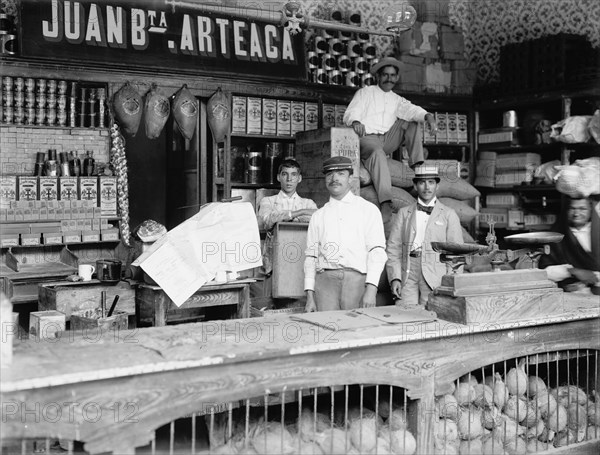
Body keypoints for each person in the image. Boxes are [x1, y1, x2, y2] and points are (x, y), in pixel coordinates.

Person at [343, 56, 438, 223]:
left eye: (393, 75)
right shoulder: (365, 93)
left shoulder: (396, 99)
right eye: (385, 75)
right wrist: (355, 121)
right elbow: (351, 112)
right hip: (367, 138)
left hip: (387, 139)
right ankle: (386, 201)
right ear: (378, 76)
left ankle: (417, 165)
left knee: (412, 120)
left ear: (397, 77)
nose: (389, 79)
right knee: (378, 153)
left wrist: (428, 116)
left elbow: (412, 110)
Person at [304, 156, 387, 312]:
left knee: (357, 332)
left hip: (357, 282)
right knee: (326, 331)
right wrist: (310, 296)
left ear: (350, 178)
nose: (334, 178)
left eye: (341, 173)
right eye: (329, 174)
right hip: (325, 285)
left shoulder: (368, 210)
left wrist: (371, 290)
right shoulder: (318, 216)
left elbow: (377, 252)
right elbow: (311, 258)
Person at [386, 163, 463, 306]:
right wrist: (395, 278)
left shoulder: (448, 214)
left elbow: (456, 253)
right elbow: (393, 248)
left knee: (432, 315)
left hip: (436, 274)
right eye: (422, 182)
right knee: (404, 315)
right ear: (415, 186)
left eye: (431, 182)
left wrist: (451, 281)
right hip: (408, 272)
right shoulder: (404, 213)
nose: (427, 187)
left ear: (437, 186)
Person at [257, 158, 317, 275]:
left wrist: (283, 217)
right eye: (285, 174)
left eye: (293, 175)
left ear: (299, 178)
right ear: (278, 177)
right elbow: (267, 220)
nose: (289, 179)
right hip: (273, 264)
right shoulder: (267, 201)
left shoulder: (308, 203)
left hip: (300, 260)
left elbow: (316, 219)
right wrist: (299, 213)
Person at [539, 197, 599, 291]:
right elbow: (544, 271)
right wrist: (571, 271)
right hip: (573, 295)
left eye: (582, 209)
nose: (576, 214)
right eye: (572, 208)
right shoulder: (556, 237)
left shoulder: (597, 233)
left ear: (591, 210)